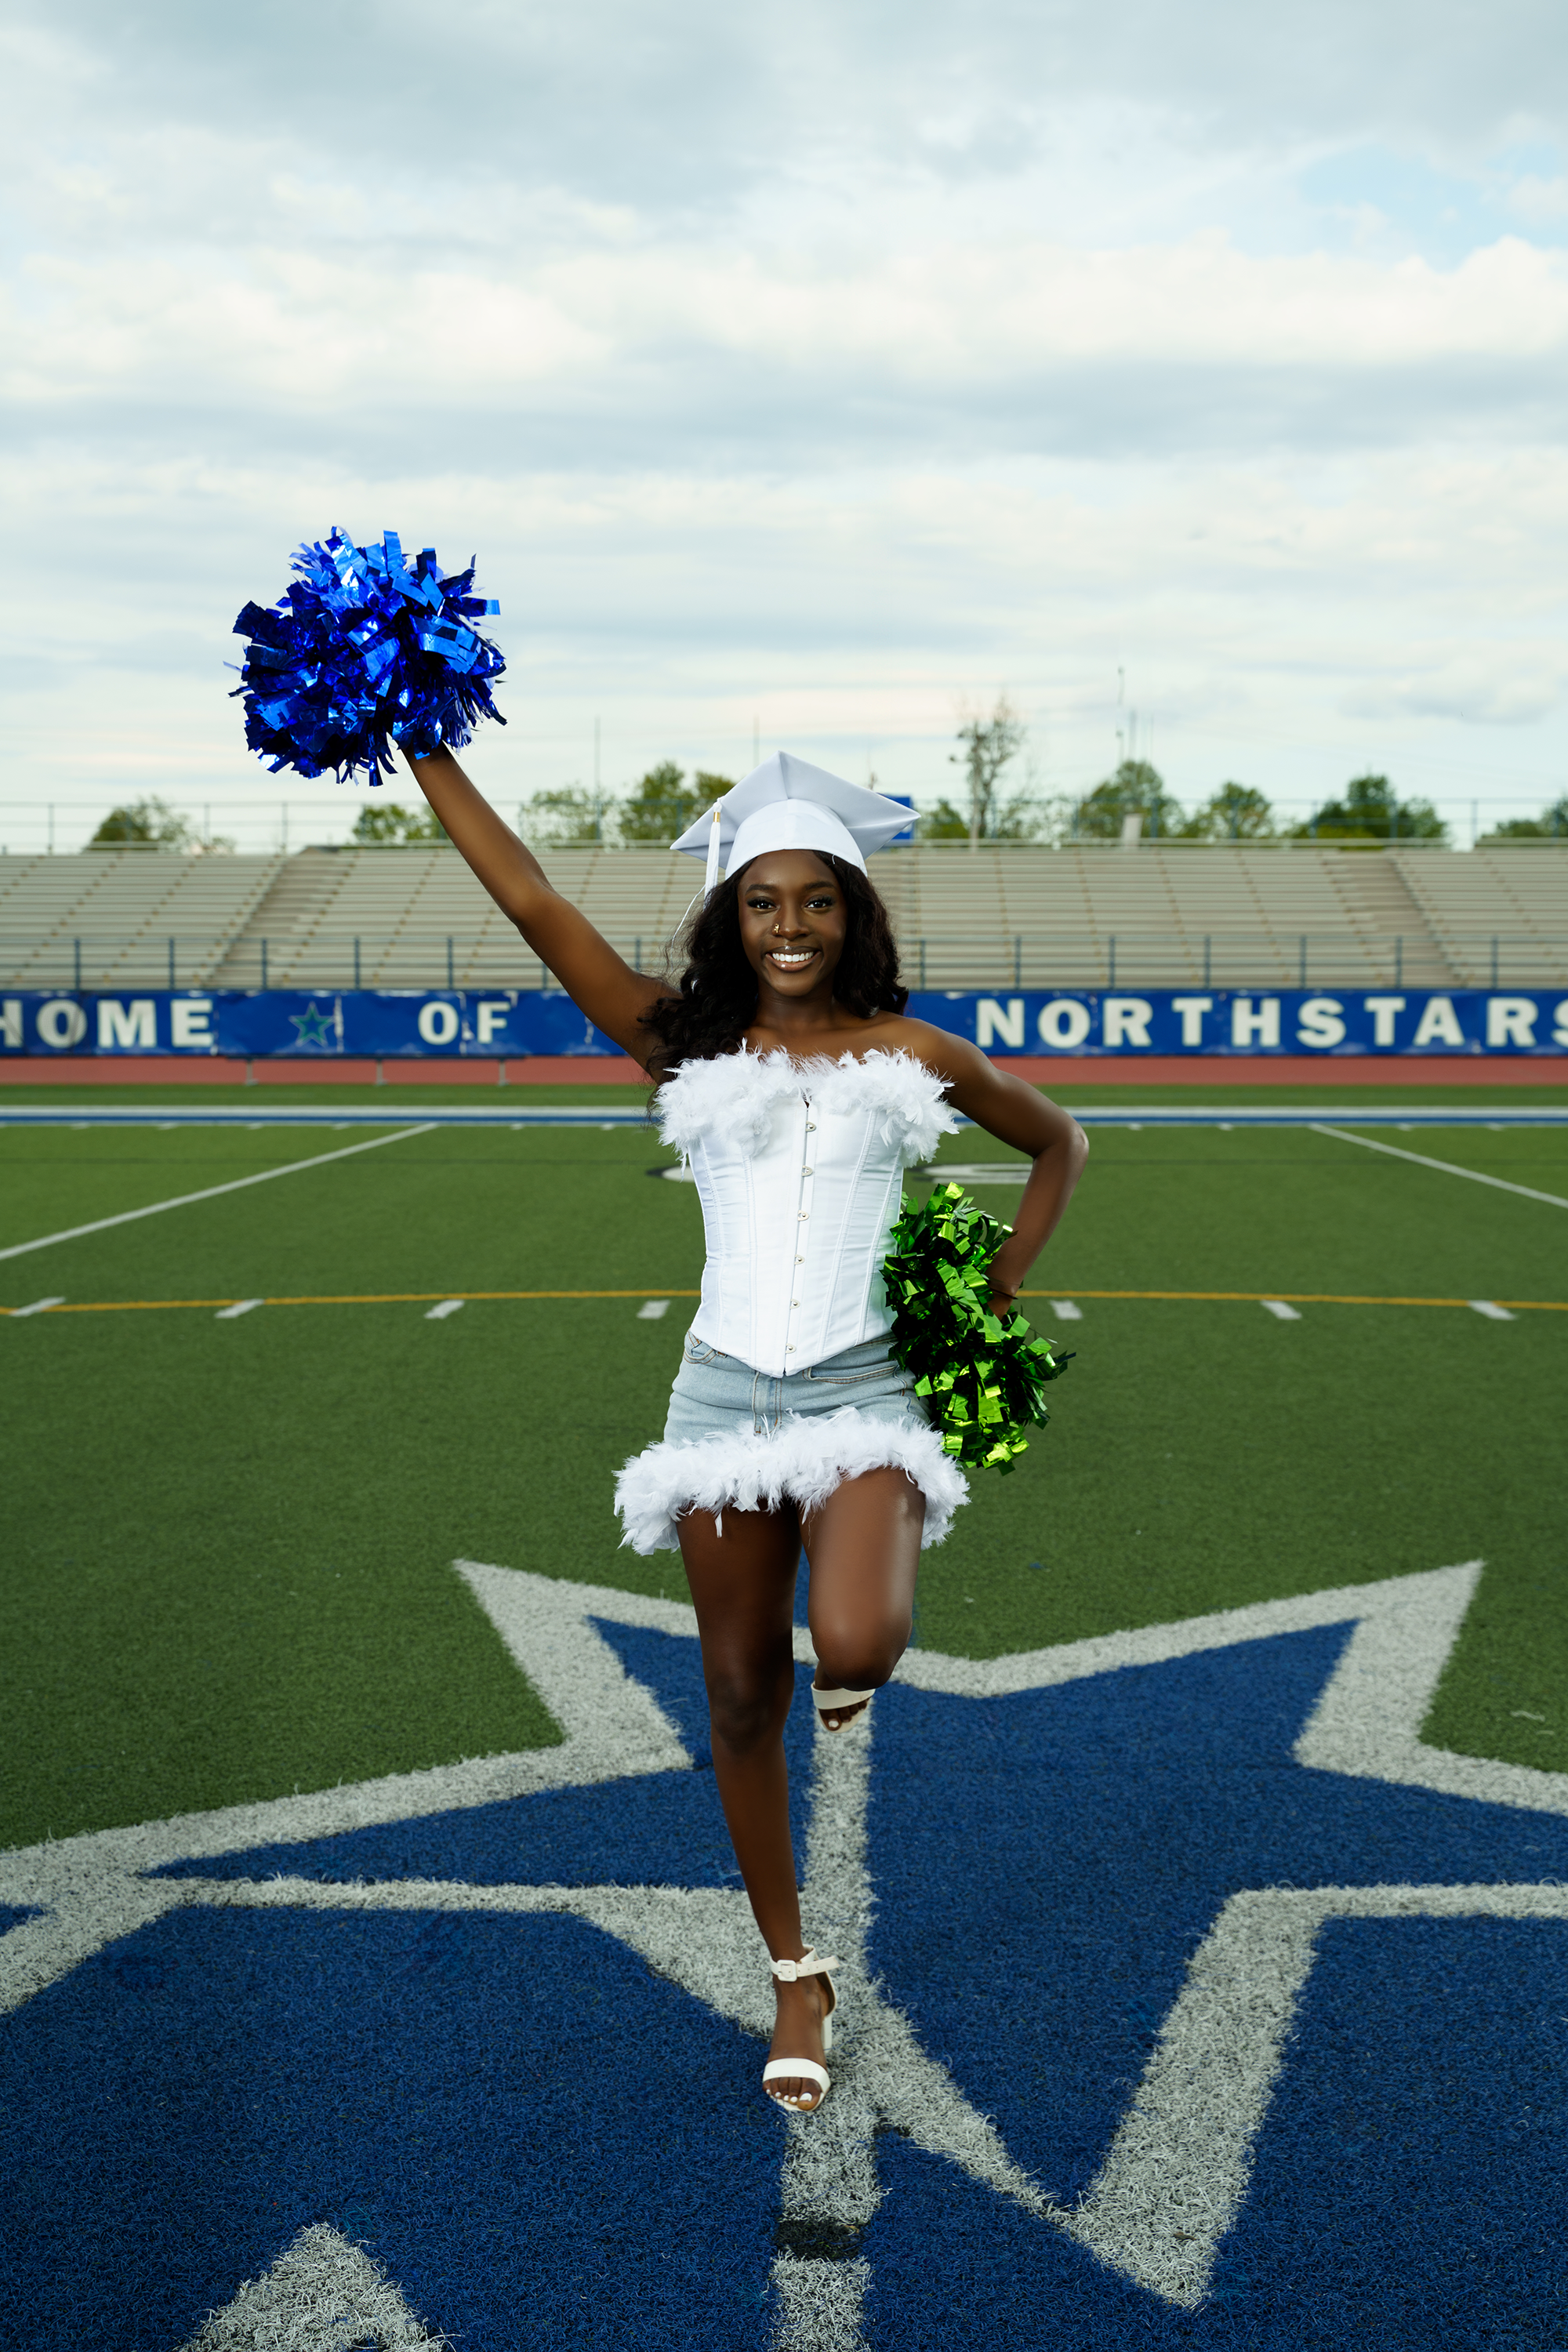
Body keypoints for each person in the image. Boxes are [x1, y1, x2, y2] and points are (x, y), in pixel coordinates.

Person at [402, 744, 1087, 2114]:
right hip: (720, 1395)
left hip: (864, 1391)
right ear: (730, 915)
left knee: (860, 1638)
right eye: (763, 901)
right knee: (734, 1697)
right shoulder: (681, 1039)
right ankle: (794, 1974)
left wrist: (1000, 1283)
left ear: (853, 914)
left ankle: (847, 1674)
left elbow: (1061, 1141)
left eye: (816, 900)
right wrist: (425, 745)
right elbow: (535, 902)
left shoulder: (916, 1053)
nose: (790, 925)